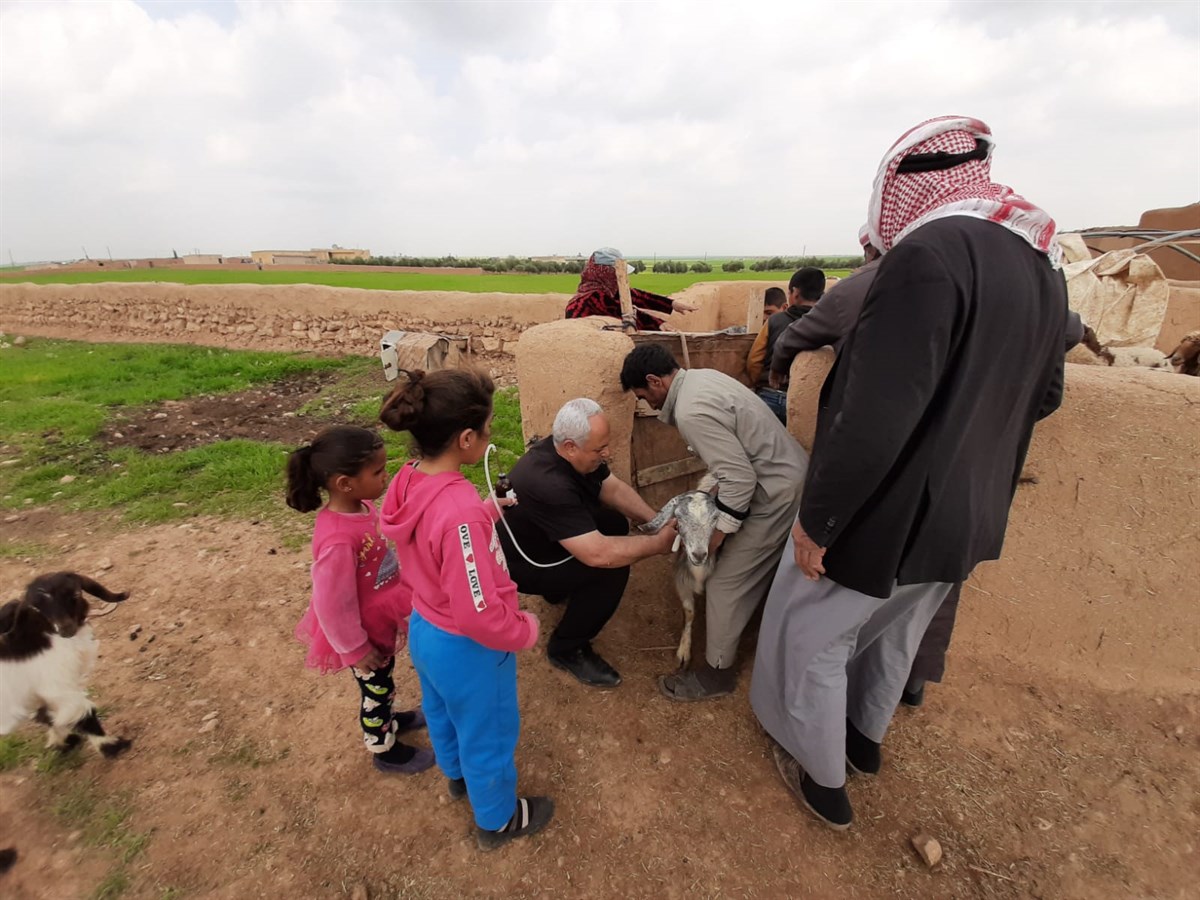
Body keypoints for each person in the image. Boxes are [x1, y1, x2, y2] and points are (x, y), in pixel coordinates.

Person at [751, 115, 1068, 830]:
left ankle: (823, 778)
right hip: (968, 513)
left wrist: (818, 521)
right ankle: (865, 742)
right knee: (893, 637)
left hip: (887, 514)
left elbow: (875, 417)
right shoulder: (1041, 263)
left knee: (811, 638)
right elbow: (1044, 396)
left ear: (902, 185)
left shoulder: (929, 254)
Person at [378, 369, 553, 851]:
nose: (490, 437)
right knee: (488, 733)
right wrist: (524, 629)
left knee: (441, 710)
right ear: (467, 438)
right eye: (489, 429)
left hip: (426, 626)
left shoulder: (409, 478)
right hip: (468, 646)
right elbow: (479, 613)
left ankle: (455, 776)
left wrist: (486, 509)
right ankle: (497, 819)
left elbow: (438, 531)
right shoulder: (459, 515)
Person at [620, 343, 809, 701]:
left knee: (724, 583)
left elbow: (740, 480)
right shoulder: (702, 380)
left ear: (653, 381)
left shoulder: (691, 412)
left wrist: (714, 540)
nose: (648, 405)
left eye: (643, 396)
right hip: (786, 474)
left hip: (777, 493)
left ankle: (716, 674)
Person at [286, 425, 434, 776]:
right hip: (361, 633)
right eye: (378, 471)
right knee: (374, 689)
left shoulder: (362, 505)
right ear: (344, 483)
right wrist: (353, 648)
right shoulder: (337, 539)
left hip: (380, 616)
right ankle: (384, 748)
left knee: (384, 679)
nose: (385, 476)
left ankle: (390, 717)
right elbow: (331, 603)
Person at [499, 399, 678, 688]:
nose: (606, 454)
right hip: (525, 564)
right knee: (611, 569)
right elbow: (599, 555)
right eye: (599, 449)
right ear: (570, 446)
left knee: (615, 524)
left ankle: (561, 589)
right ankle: (567, 648)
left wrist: (656, 521)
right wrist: (657, 545)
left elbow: (613, 489)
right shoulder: (550, 484)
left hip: (541, 540)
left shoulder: (568, 451)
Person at [768, 232, 882, 388]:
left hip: (863, 390)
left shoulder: (851, 290)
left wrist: (776, 370)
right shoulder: (919, 275)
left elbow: (791, 339)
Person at [746, 267, 826, 422]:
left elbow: (754, 360)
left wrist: (760, 382)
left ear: (795, 293)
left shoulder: (774, 321)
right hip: (807, 402)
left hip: (770, 396)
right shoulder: (828, 324)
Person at [564, 247, 697, 331]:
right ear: (606, 272)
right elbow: (621, 311)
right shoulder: (591, 298)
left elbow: (638, 296)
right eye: (618, 273)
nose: (621, 279)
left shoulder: (608, 291)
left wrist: (672, 304)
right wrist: (657, 324)